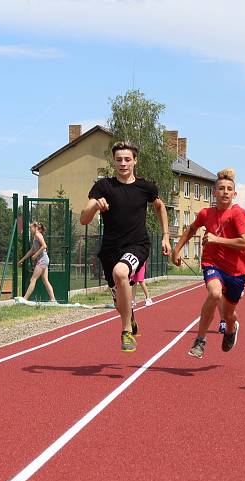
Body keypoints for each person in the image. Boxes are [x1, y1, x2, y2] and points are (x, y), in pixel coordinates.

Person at [79, 140, 170, 352]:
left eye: (127, 159)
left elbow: (160, 206)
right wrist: (95, 208)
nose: (123, 163)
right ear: (114, 161)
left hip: (137, 245)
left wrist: (165, 236)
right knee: (120, 303)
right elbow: (84, 218)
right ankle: (130, 316)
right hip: (110, 250)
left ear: (135, 161)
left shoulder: (145, 187)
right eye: (119, 159)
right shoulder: (103, 187)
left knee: (122, 273)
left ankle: (127, 332)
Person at [172, 168, 245, 359]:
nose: (225, 192)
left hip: (236, 271)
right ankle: (200, 341)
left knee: (228, 315)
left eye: (229, 189)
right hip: (212, 263)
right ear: (215, 192)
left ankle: (232, 329)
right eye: (221, 188)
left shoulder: (238, 214)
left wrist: (218, 240)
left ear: (234, 194)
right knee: (215, 293)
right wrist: (177, 249)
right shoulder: (206, 213)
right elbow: (191, 229)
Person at [17, 221, 56, 303]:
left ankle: (25, 298)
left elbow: (44, 246)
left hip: (42, 260)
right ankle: (53, 299)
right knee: (45, 280)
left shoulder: (38, 235)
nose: (30, 229)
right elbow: (31, 250)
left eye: (31, 228)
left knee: (33, 279)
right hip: (44, 259)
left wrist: (36, 255)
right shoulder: (35, 237)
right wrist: (22, 260)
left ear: (36, 228)